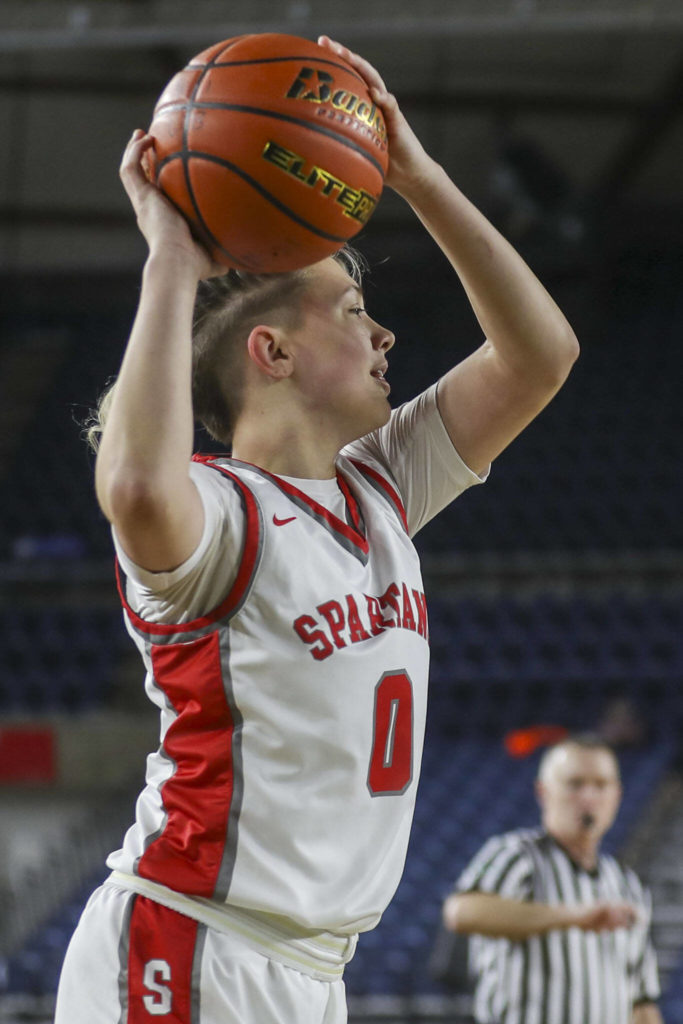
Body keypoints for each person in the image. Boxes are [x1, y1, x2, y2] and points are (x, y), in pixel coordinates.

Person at [55, 33, 578, 1024]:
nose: (384, 334)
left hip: (309, 969)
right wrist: (169, 259)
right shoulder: (222, 513)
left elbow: (538, 356)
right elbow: (131, 486)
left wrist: (414, 175)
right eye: (352, 308)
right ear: (272, 351)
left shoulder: (376, 491)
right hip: (190, 937)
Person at [443, 735, 662, 1024]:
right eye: (575, 784)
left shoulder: (627, 884)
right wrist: (574, 916)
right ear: (543, 792)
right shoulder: (518, 855)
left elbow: (641, 1000)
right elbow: (462, 912)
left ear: (617, 795)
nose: (589, 797)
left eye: (600, 785)